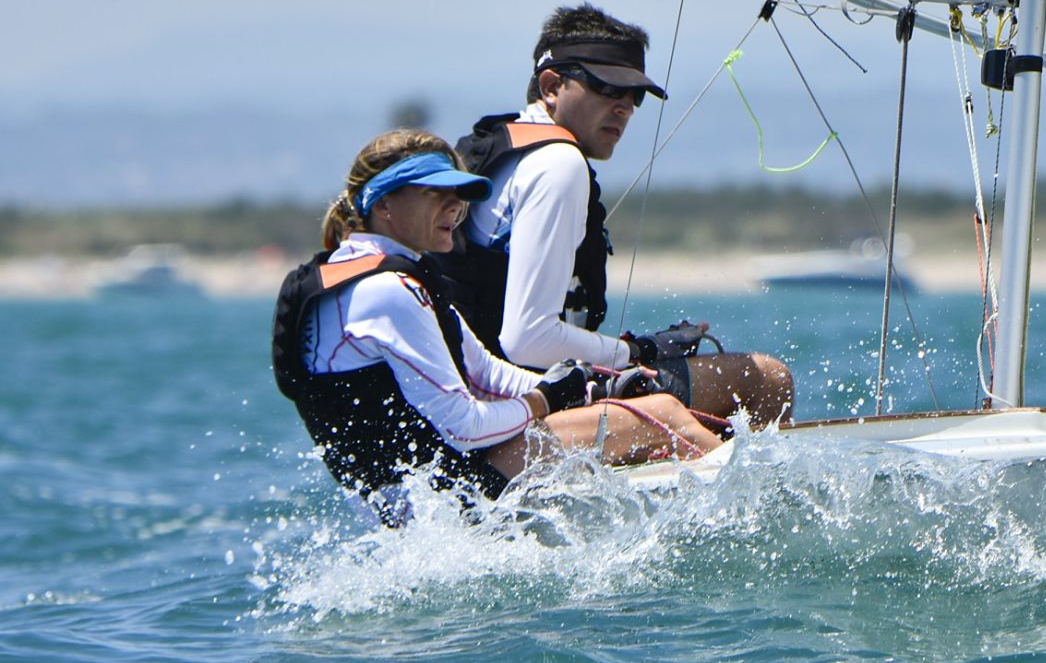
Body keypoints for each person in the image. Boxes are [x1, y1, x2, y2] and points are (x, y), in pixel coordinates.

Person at [273, 130, 722, 523]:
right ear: (383, 203)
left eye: (459, 193)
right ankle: (746, 509)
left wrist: (586, 388)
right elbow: (464, 427)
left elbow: (485, 372)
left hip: (422, 493)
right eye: (436, 192)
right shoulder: (385, 291)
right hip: (439, 502)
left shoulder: (376, 275)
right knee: (663, 417)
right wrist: (545, 399)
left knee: (636, 412)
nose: (455, 205)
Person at [435, 3, 793, 425]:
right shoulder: (557, 164)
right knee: (765, 379)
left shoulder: (504, 148)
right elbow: (527, 338)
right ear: (551, 86)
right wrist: (640, 350)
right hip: (514, 410)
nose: (625, 108)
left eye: (634, 95)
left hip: (479, 402)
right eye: (608, 88)